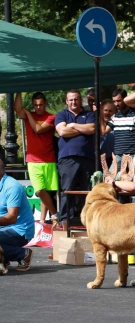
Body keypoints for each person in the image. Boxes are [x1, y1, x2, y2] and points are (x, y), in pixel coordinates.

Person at [13, 92, 59, 225]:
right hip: (33, 160)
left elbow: (38, 129)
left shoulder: (51, 117)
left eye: (40, 105)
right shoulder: (30, 115)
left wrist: (28, 113)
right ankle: (56, 215)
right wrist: (19, 92)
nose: (38, 107)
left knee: (46, 194)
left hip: (49, 160)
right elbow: (17, 109)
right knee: (39, 190)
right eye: (35, 105)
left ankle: (43, 221)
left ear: (45, 104)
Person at [54, 90, 95, 224]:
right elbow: (62, 131)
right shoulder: (61, 114)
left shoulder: (89, 114)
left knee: (87, 191)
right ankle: (65, 221)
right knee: (68, 191)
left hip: (87, 158)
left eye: (76, 99)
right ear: (67, 101)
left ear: (80, 100)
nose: (73, 102)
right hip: (67, 159)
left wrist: (73, 125)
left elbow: (92, 129)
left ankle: (87, 220)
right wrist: (82, 129)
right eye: (71, 100)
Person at [0, 158, 35, 274]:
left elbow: (11, 217)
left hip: (20, 230)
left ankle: (23, 254)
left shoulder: (12, 187)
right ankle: (3, 259)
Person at [101, 89, 135, 172]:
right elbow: (103, 131)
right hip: (118, 156)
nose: (116, 104)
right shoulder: (115, 117)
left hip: (132, 155)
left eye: (118, 101)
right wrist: (100, 113)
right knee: (110, 180)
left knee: (133, 181)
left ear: (125, 99)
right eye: (114, 101)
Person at [99, 100, 116, 170]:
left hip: (113, 159)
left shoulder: (117, 125)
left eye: (110, 111)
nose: (107, 113)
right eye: (105, 110)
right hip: (98, 159)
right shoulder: (95, 125)